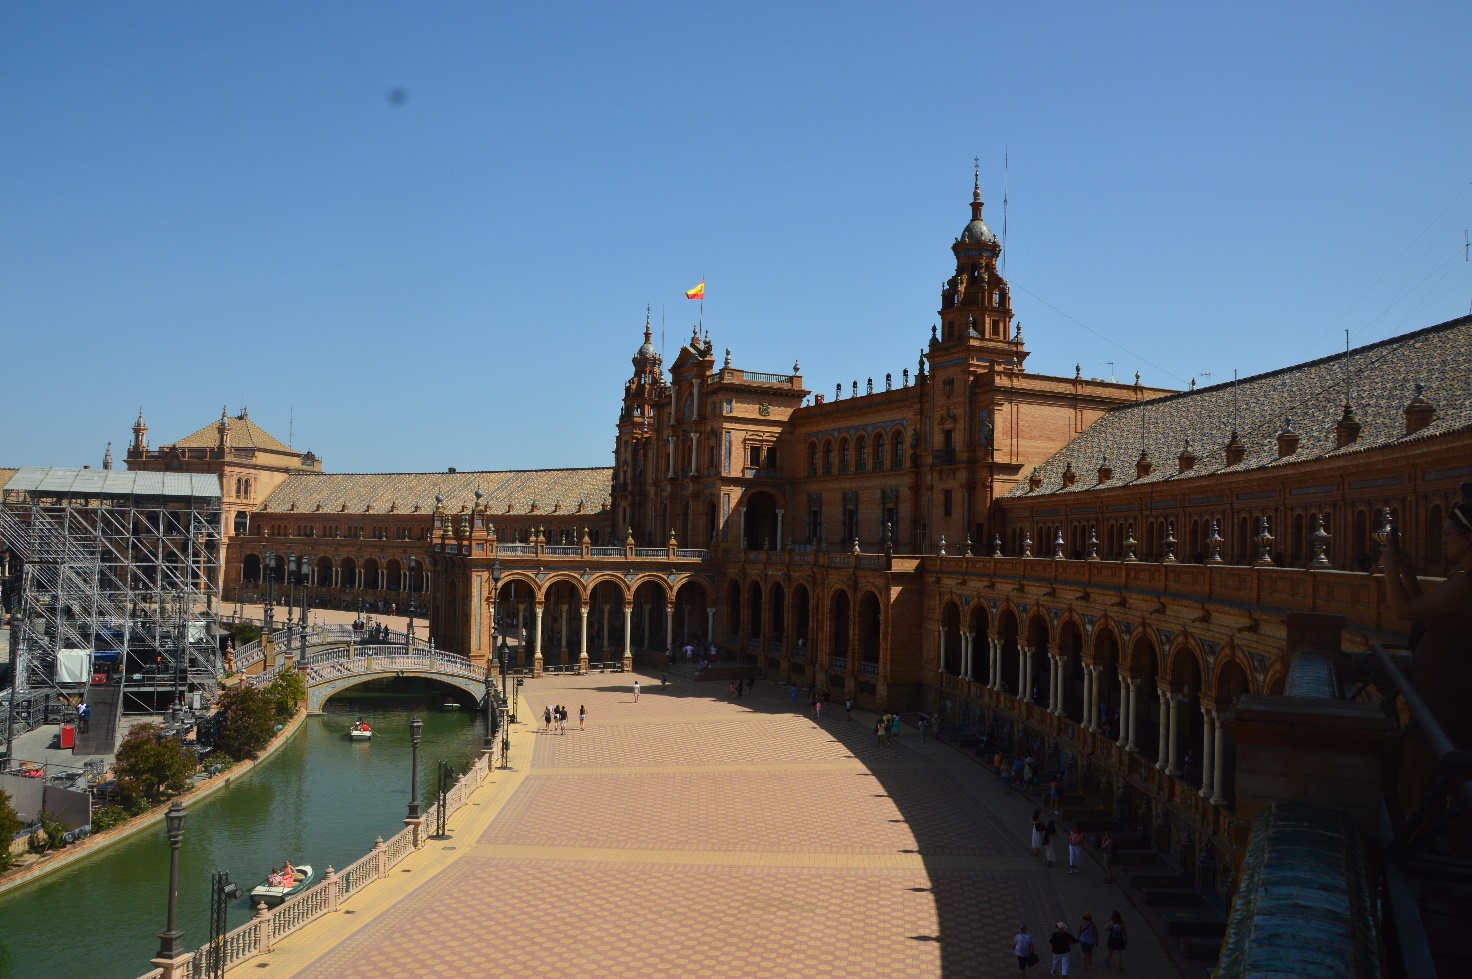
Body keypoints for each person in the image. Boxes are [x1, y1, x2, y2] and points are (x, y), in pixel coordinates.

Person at [1385, 501, 1472, 852]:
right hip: (1443, 702)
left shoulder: (1467, 586)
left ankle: (1431, 870)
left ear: (1469, 537)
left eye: (1449, 534)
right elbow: (1428, 615)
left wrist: (1389, 567)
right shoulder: (1461, 582)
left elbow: (1404, 611)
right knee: (1449, 789)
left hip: (1450, 704)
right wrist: (1407, 572)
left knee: (1435, 789)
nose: (1444, 541)